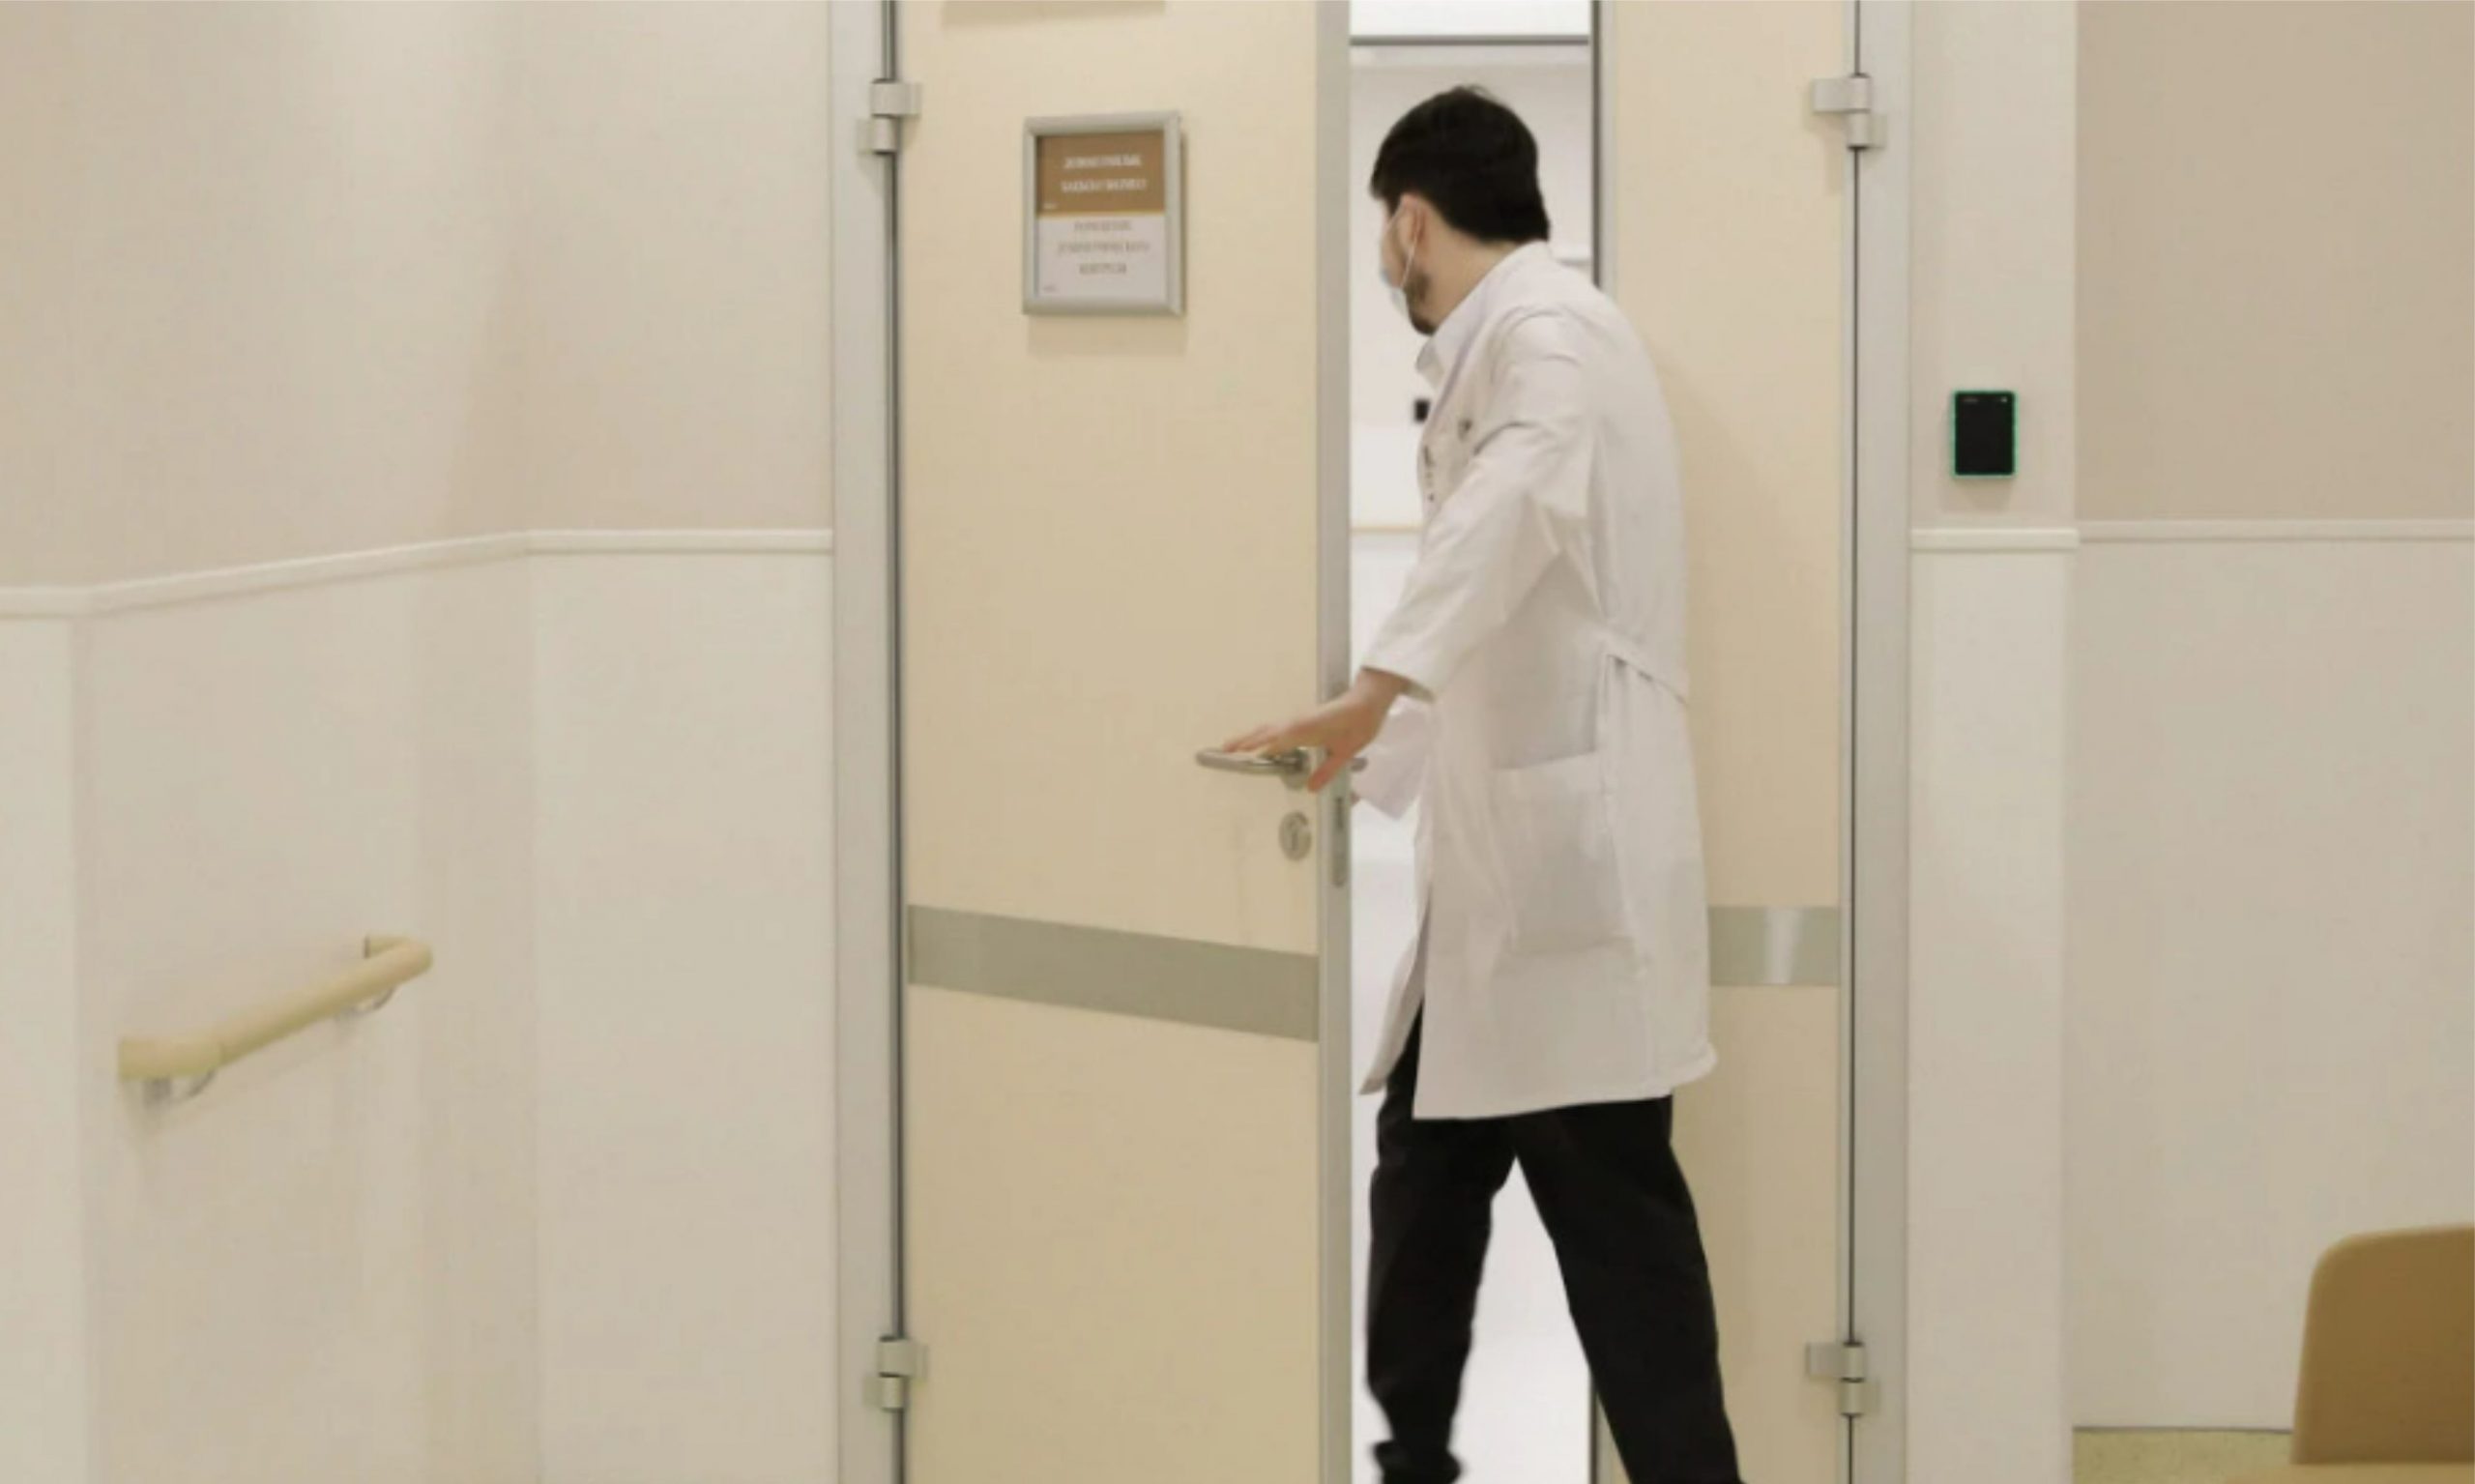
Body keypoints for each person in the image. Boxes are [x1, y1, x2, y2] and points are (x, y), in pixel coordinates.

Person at [1222, 88, 1740, 1484]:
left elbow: (1511, 510)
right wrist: (1370, 745)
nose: (1387, 257)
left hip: (1570, 887)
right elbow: (1510, 596)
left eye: (1383, 232)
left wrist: (1373, 687)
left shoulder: (1547, 333)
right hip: (1512, 879)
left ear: (1409, 220)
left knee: (1622, 1248)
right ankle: (1414, 1462)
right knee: (1424, 1183)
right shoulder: (1519, 336)